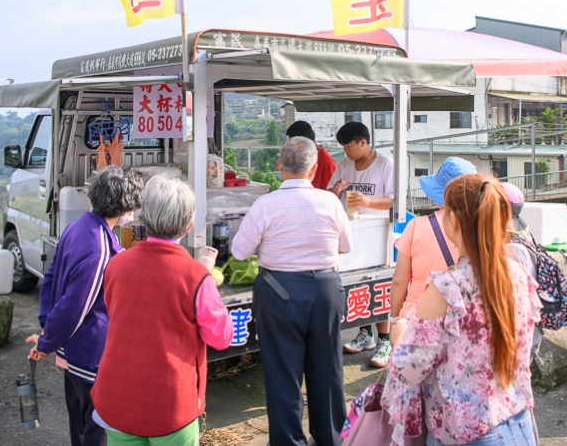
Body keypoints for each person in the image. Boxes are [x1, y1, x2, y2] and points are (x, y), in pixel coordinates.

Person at [382, 174, 541, 446]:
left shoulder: (447, 287)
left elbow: (408, 369)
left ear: (453, 221)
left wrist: (398, 335)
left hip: (467, 434)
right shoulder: (518, 274)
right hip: (520, 424)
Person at [91, 174, 234, 445]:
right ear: (189, 225)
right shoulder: (196, 276)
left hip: (116, 395)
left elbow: (116, 312)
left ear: (143, 220)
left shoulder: (116, 264)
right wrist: (208, 284)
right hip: (170, 403)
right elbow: (221, 337)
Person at [231, 137, 352, 446]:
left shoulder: (265, 204)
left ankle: (288, 441)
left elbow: (240, 251)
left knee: (282, 371)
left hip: (279, 293)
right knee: (328, 369)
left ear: (279, 166)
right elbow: (345, 247)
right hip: (325, 290)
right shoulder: (329, 202)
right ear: (314, 169)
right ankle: (332, 438)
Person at [27, 166, 144, 446]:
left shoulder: (78, 226)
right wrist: (47, 342)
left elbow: (51, 278)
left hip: (72, 351)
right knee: (96, 430)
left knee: (78, 423)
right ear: (126, 206)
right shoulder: (100, 247)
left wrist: (47, 327)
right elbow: (76, 307)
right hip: (90, 354)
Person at [388, 157, 475, 346]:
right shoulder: (482, 229)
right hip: (462, 324)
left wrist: (394, 318)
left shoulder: (416, 226)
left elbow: (399, 281)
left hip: (415, 320)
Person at [328, 121, 394, 367]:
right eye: (343, 146)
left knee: (377, 285)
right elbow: (331, 195)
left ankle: (384, 339)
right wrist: (335, 190)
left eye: (348, 145)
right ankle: (364, 333)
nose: (345, 150)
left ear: (363, 142)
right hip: (349, 229)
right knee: (356, 283)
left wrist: (367, 202)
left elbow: (392, 199)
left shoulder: (385, 164)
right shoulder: (344, 165)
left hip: (377, 233)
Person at [502, 181, 542, 445]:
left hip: (515, 340)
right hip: (525, 337)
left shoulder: (513, 249)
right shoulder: (523, 235)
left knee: (517, 403)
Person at [286, 120, 336, 190]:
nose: (293, 148)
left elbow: (330, 194)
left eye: (294, 144)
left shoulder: (327, 162)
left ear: (306, 142)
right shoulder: (299, 157)